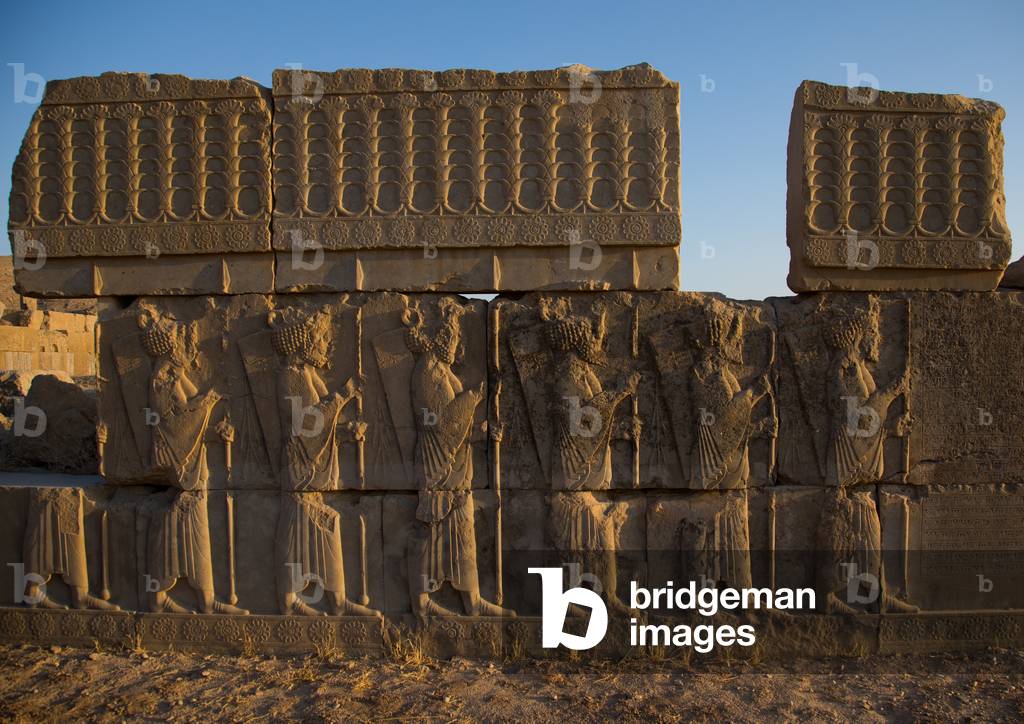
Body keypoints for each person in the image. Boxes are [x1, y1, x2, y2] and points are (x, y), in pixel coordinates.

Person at [402, 299, 514, 617]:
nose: (457, 346)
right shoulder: (428, 373)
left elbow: (457, 428)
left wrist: (482, 430)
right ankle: (423, 602)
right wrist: (473, 396)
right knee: (434, 527)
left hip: (452, 466)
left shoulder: (442, 372)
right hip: (439, 465)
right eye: (453, 339)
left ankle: (471, 600)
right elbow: (442, 426)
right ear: (439, 340)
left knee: (459, 529)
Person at [271, 306, 379, 617]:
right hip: (299, 475)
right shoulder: (289, 378)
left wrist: (346, 431)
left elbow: (323, 427)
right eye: (320, 340)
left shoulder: (308, 375)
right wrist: (344, 394)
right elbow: (307, 427)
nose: (325, 346)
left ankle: (336, 601)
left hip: (311, 476)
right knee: (297, 538)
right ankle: (290, 600)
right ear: (303, 343)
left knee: (323, 531)